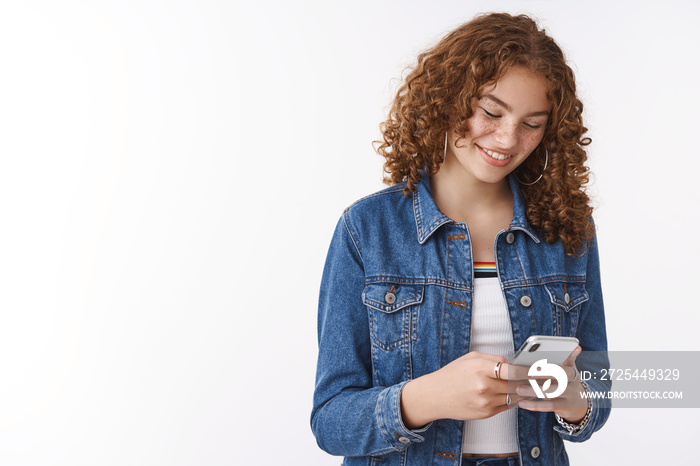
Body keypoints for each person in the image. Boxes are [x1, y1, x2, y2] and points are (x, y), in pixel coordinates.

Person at [311, 12, 610, 466]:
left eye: (533, 123)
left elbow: (599, 392)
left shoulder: (568, 229)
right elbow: (331, 420)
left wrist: (573, 400)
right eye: (491, 112)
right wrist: (426, 399)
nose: (508, 138)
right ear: (448, 100)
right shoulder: (367, 228)